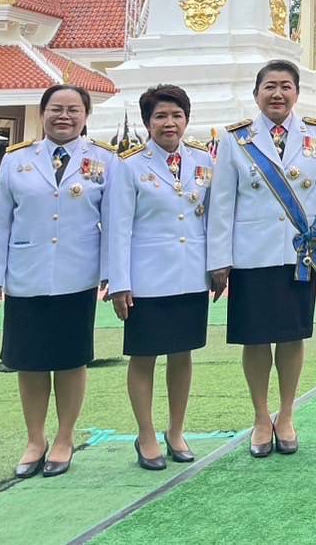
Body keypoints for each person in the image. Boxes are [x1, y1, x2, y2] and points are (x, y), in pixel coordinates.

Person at [0, 85, 115, 479]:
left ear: (86, 115)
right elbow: (0, 220)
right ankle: (35, 438)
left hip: (77, 275)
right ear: (43, 114)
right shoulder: (18, 159)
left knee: (71, 360)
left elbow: (114, 222)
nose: (64, 117)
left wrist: (112, 274)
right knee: (30, 361)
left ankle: (65, 437)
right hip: (26, 274)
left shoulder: (103, 160)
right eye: (56, 109)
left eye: (73, 110)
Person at [207, 60, 316, 459]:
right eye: (269, 87)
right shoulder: (236, 140)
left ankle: (286, 414)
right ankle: (261, 417)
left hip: (298, 254)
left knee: (292, 336)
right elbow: (222, 203)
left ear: (297, 93)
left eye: (285, 86)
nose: (277, 94)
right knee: (256, 338)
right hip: (252, 255)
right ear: (257, 94)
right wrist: (219, 259)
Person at [106, 84, 211, 470]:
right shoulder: (129, 165)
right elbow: (118, 227)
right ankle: (146, 433)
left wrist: (216, 268)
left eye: (176, 115)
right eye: (161, 116)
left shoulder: (203, 162)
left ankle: (176, 430)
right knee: (144, 356)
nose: (170, 123)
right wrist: (119, 282)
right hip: (145, 278)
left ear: (186, 119)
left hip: (191, 273)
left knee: (182, 354)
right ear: (148, 122)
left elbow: (212, 219)